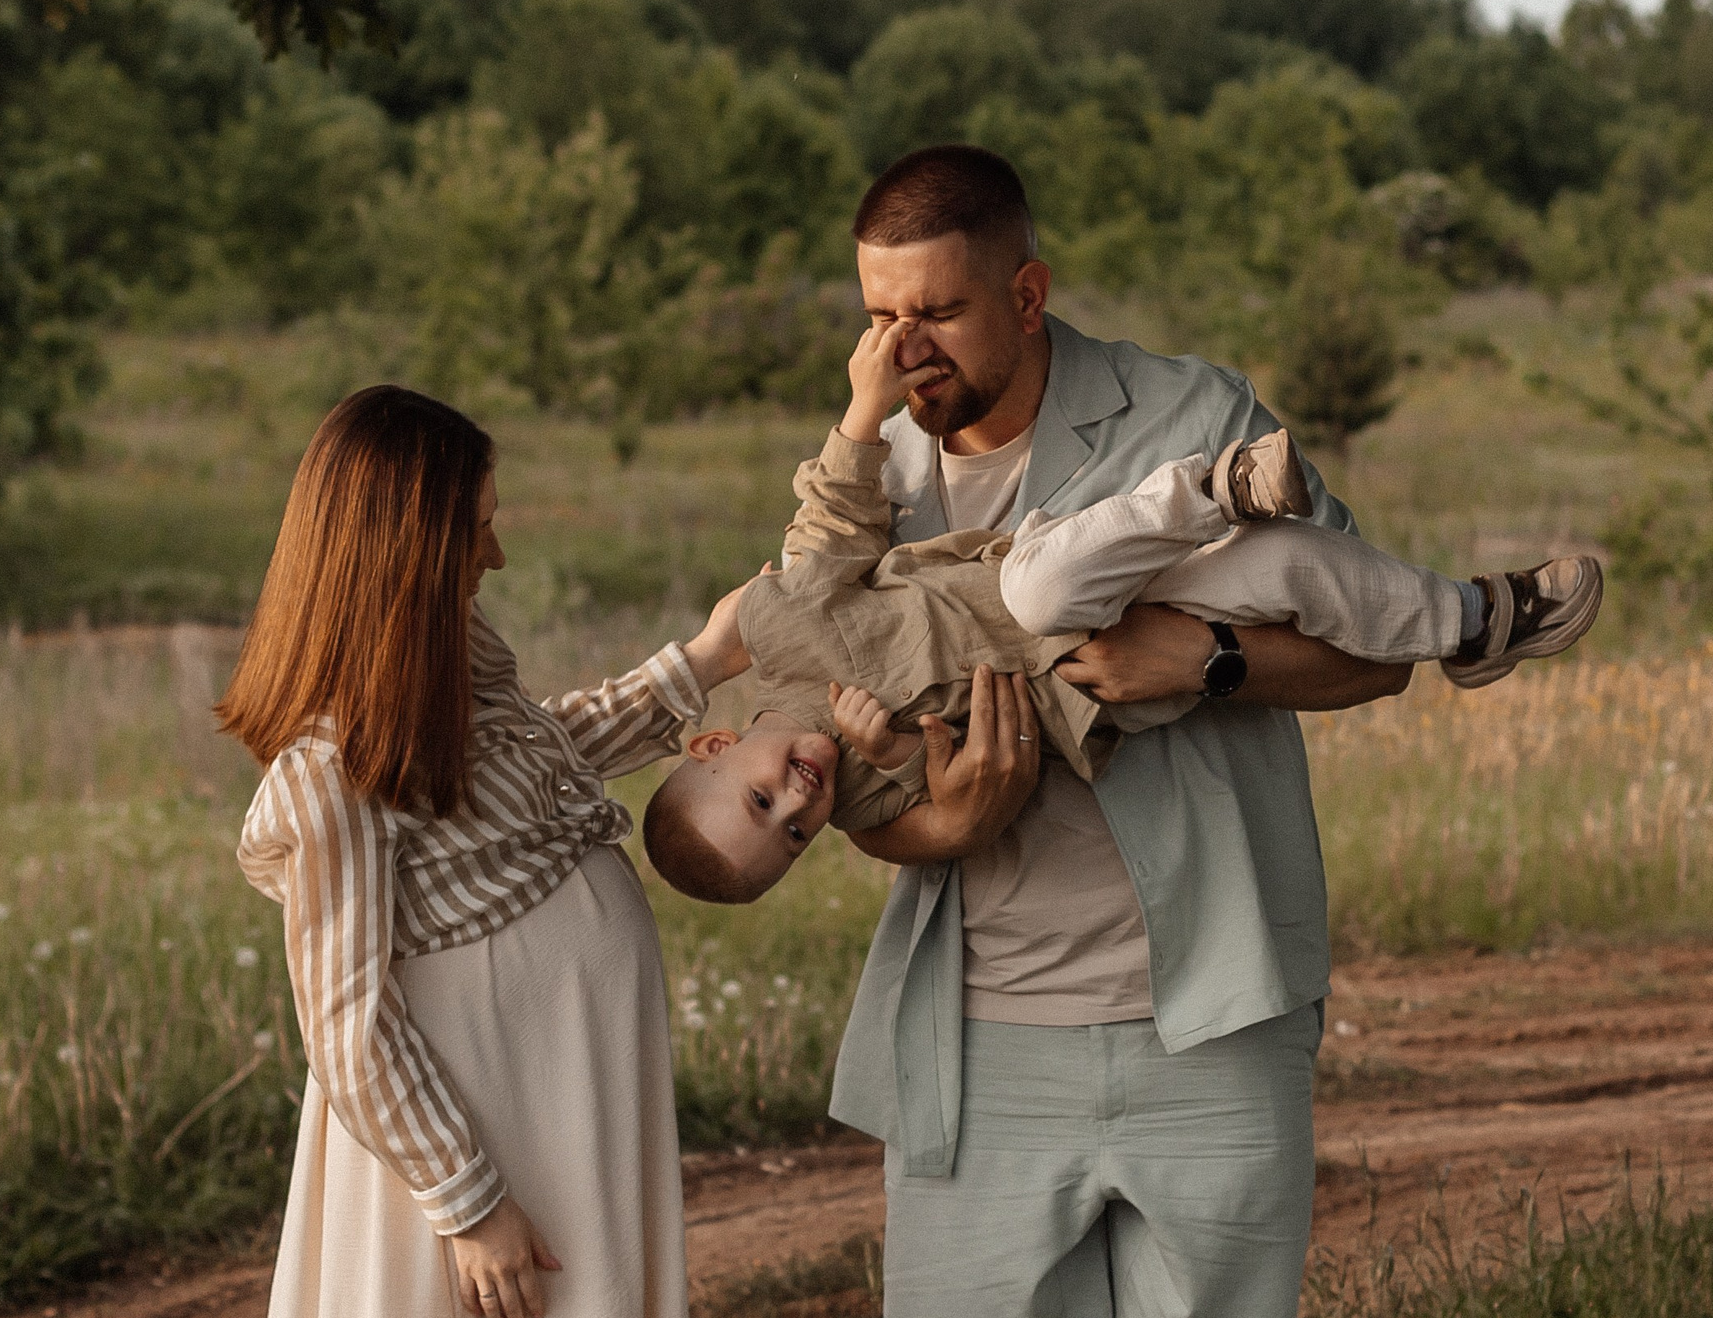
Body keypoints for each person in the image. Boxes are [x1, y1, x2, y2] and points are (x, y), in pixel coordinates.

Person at [803, 145, 1474, 1318]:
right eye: (880, 316)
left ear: (1029, 293)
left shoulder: (1195, 415)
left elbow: (1378, 653)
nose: (904, 350)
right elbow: (845, 784)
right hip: (978, 1037)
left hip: (1213, 1012)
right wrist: (950, 821)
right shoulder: (862, 479)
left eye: (935, 312)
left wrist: (1207, 660)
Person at [215, 384, 752, 1318]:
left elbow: (539, 755)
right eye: (478, 529)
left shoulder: (453, 671)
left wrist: (705, 660)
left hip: (561, 1095)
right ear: (406, 552)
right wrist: (469, 1203)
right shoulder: (330, 776)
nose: (495, 556)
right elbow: (347, 1023)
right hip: (481, 1130)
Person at [640, 323, 1602, 905]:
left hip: (1051, 582)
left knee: (1039, 587)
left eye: (762, 799)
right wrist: (893, 747)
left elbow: (837, 520)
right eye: (793, 834)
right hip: (1088, 684)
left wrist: (861, 408)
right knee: (1285, 564)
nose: (799, 802)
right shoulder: (861, 798)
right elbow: (953, 786)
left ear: (715, 745)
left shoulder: (779, 630)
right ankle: (1475, 621)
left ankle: (1214, 489)